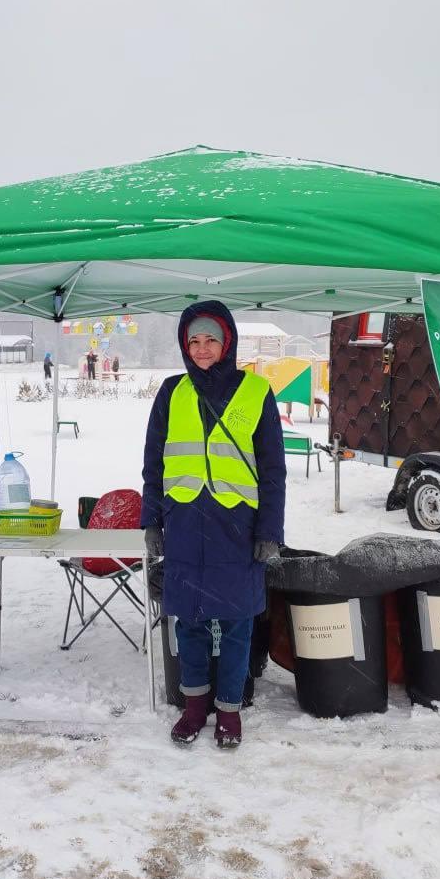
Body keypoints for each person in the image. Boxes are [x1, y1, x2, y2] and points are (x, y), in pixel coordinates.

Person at [140, 300, 286, 748]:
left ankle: (229, 710)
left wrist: (269, 532)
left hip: (235, 527)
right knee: (189, 622)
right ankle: (195, 706)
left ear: (228, 343)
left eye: (211, 340)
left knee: (237, 622)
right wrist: (151, 519)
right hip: (184, 522)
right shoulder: (171, 392)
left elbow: (273, 469)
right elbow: (153, 463)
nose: (202, 349)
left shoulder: (256, 392)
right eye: (194, 341)